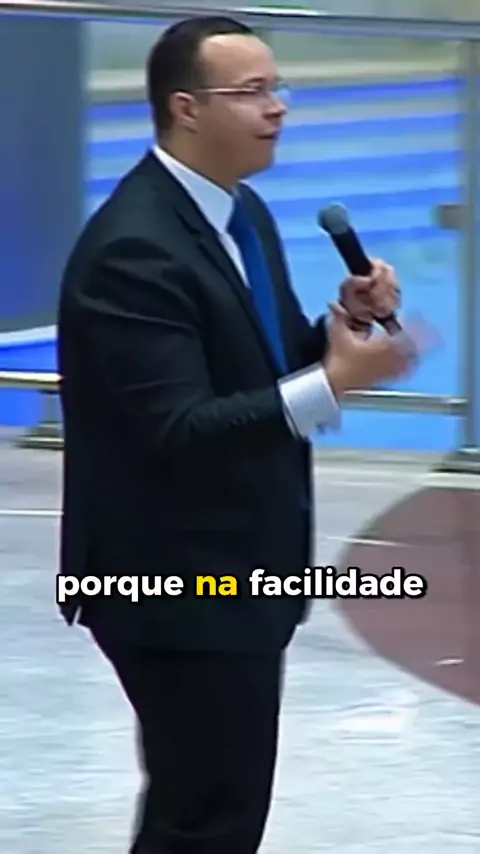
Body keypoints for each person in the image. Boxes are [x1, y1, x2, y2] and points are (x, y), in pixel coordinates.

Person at [56, 15, 427, 854]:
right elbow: (179, 429)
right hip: (172, 584)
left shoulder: (240, 212)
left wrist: (337, 330)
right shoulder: (134, 250)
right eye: (252, 91)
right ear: (185, 108)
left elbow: (261, 361)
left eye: (277, 87)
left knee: (215, 810)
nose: (278, 107)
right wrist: (333, 383)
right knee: (206, 820)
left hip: (239, 571)